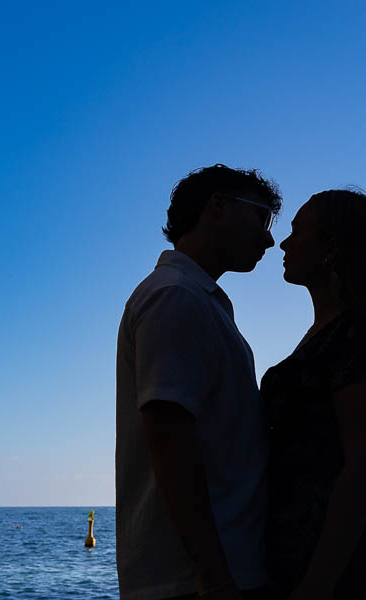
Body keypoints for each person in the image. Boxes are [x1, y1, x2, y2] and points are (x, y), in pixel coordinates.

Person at [116, 165, 281, 600]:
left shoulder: (193, 299)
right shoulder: (177, 297)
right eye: (262, 219)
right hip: (197, 581)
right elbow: (169, 436)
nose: (269, 239)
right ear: (218, 207)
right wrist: (214, 573)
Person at [262, 189, 366, 600]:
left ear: (332, 247)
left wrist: (318, 583)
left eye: (298, 231)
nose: (285, 242)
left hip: (340, 562)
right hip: (303, 546)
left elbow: (362, 469)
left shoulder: (362, 337)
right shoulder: (330, 336)